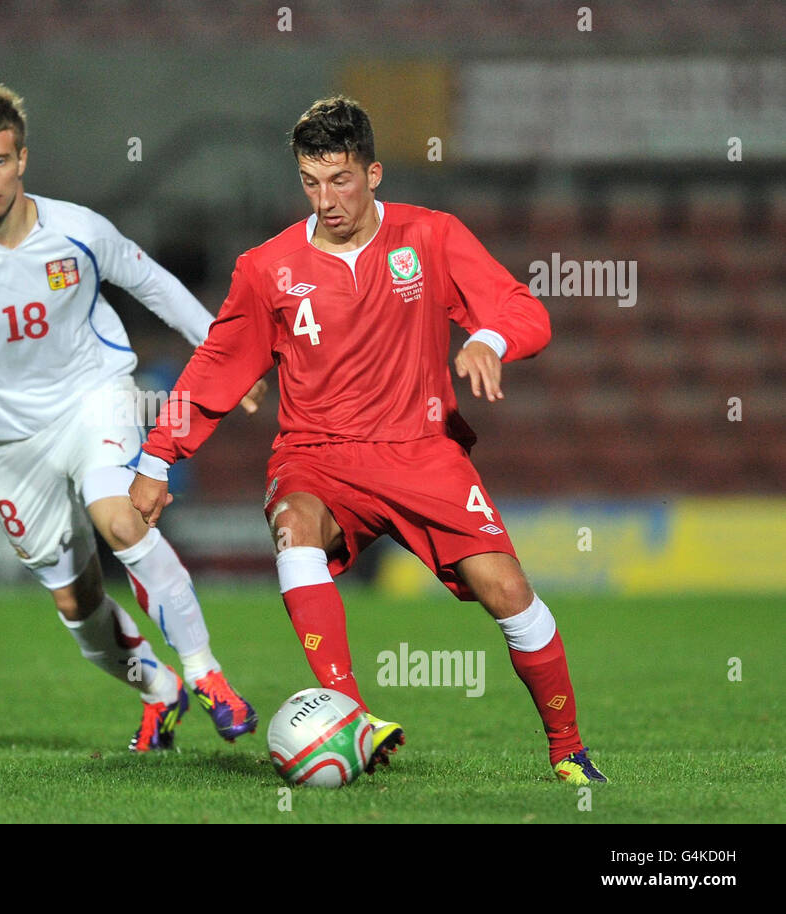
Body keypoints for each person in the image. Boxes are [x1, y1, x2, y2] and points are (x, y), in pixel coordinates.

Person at [130, 97, 607, 785]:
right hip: (317, 454)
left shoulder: (431, 238)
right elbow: (218, 366)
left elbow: (523, 309)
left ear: (374, 172)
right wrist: (157, 459)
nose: (327, 199)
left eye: (341, 179)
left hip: (421, 449)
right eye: (311, 181)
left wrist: (489, 339)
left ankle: (568, 750)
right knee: (294, 527)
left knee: (506, 591)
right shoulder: (267, 268)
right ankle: (350, 713)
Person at [0, 84, 265, 751]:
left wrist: (221, 357)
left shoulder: (79, 230)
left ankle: (207, 673)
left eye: (0, 160)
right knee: (77, 608)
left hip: (93, 398)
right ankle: (160, 688)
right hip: (8, 443)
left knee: (120, 517)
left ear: (23, 160)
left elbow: (152, 281)